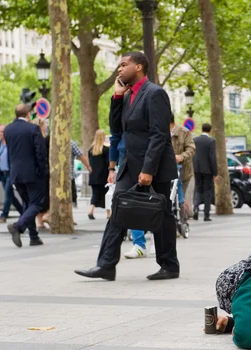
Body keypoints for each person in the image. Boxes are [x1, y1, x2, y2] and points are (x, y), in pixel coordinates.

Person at [74, 51, 180, 281]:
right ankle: (106, 265)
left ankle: (169, 265)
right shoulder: (128, 95)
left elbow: (159, 135)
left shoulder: (154, 93)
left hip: (155, 166)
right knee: (118, 211)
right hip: (129, 165)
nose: (119, 69)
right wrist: (117, 97)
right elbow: (117, 129)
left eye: (124, 65)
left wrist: (148, 170)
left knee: (162, 215)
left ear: (139, 66)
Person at [4, 104, 47, 247]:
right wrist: (42, 170)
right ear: (28, 114)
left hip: (16, 173)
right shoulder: (33, 129)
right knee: (36, 203)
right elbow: (40, 152)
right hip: (32, 173)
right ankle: (18, 226)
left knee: (27, 204)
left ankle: (34, 237)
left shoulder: (8, 130)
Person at [0, 124, 24, 223]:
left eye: (2, 131)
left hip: (11, 172)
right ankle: (23, 212)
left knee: (7, 193)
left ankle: (3, 216)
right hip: (2, 173)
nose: (1, 134)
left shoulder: (11, 142)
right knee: (11, 196)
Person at [193, 123, 218, 222]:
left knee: (198, 190)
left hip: (197, 169)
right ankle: (206, 215)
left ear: (201, 130)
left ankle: (195, 208)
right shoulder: (211, 141)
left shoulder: (195, 140)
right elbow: (212, 157)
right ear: (210, 130)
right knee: (207, 192)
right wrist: (215, 172)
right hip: (207, 170)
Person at [170, 115, 196, 203]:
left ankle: (182, 212)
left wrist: (181, 156)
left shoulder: (184, 132)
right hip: (166, 172)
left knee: (180, 200)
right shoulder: (160, 132)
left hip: (183, 172)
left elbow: (191, 149)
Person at [87, 129, 110, 220]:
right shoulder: (106, 150)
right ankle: (108, 213)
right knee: (106, 194)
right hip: (104, 175)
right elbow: (108, 163)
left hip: (93, 176)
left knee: (95, 194)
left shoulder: (91, 150)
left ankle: (91, 210)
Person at [33, 118, 50, 230]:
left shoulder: (32, 138)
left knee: (39, 196)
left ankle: (39, 221)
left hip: (35, 171)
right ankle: (47, 215)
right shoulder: (47, 139)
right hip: (45, 169)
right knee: (47, 194)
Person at [71, 140, 92, 207]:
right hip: (69, 175)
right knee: (72, 193)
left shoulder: (53, 141)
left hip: (56, 176)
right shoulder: (71, 143)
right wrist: (88, 166)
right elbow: (81, 156)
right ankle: (73, 202)